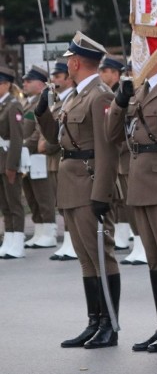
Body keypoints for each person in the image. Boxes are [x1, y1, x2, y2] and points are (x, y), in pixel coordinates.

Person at [36, 32, 120, 349]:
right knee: (85, 258)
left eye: (67, 61)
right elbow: (57, 141)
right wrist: (44, 113)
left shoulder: (100, 96)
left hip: (88, 182)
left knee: (101, 256)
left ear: (74, 62)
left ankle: (109, 324)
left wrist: (102, 192)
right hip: (70, 183)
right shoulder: (73, 96)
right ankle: (94, 321)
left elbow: (107, 149)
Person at [106, 52, 157, 353]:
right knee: (153, 258)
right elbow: (112, 135)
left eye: (143, 53)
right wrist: (119, 101)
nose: (136, 60)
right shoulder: (136, 93)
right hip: (138, 180)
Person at [98, 55, 132, 252]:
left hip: (125, 154)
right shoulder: (110, 93)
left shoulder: (121, 93)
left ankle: (134, 237)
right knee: (119, 200)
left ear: (116, 73)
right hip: (116, 156)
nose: (102, 75)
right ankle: (123, 234)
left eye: (106, 71)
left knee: (127, 199)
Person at [21, 65, 57, 249]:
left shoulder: (45, 101)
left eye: (29, 80)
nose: (24, 83)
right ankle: (39, 230)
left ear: (41, 83)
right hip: (27, 155)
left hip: (38, 154)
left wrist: (22, 145)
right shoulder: (28, 102)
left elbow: (39, 131)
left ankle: (49, 231)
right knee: (31, 194)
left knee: (43, 195)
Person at [46, 60, 78, 261]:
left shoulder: (70, 100)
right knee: (62, 203)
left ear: (67, 78)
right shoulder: (58, 101)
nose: (54, 81)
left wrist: (47, 145)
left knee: (69, 202)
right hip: (55, 160)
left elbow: (62, 133)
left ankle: (72, 241)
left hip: (63, 156)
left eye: (58, 77)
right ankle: (68, 239)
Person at [0, 65, 24, 259]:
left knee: (15, 203)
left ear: (6, 84)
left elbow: (16, 138)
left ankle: (18, 242)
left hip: (8, 160)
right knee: (5, 205)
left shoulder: (13, 105)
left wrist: (11, 166)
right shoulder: (2, 104)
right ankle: (8, 239)